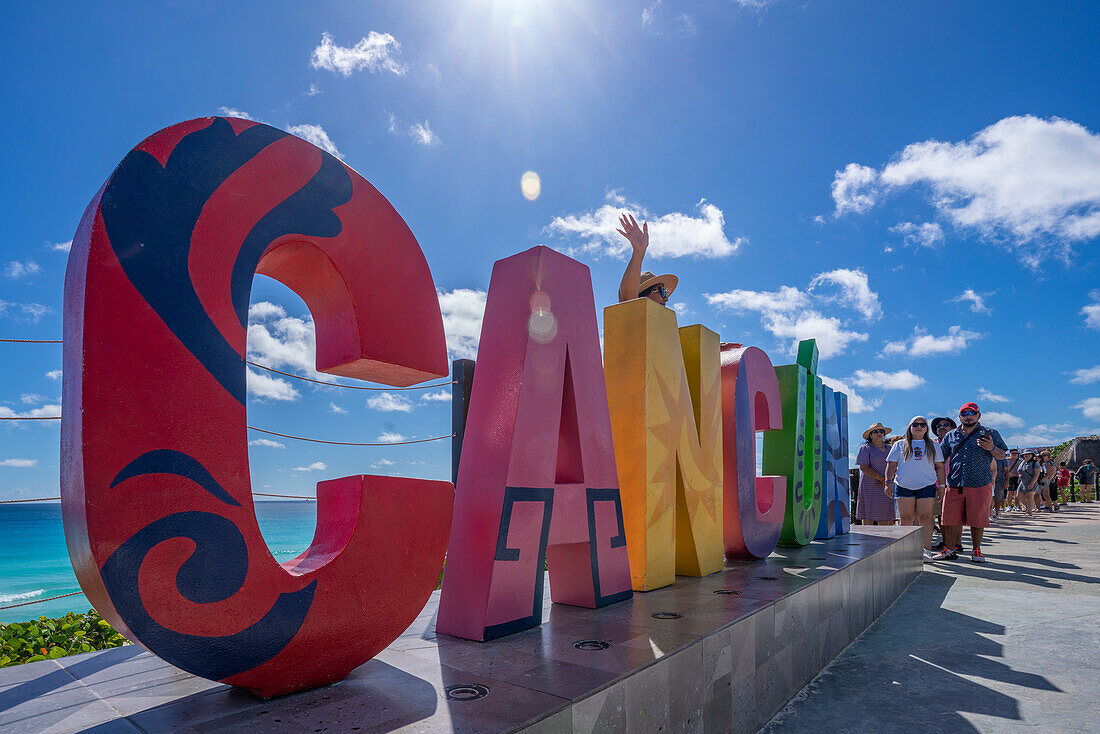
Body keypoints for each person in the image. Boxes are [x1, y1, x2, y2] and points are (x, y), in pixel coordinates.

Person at [932, 402, 1007, 563]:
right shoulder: (951, 436)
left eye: (972, 413)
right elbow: (940, 459)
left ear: (979, 415)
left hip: (980, 483)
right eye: (964, 413)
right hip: (954, 483)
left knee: (977, 519)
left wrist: (992, 448)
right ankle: (949, 550)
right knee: (949, 519)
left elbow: (1001, 455)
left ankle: (977, 550)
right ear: (959, 417)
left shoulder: (991, 433)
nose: (968, 416)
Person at [885, 416, 945, 560]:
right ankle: (907, 549)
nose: (919, 427)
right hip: (903, 486)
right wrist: (888, 482)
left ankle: (925, 549)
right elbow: (891, 465)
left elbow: (940, 467)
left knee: (926, 518)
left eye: (922, 424)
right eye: (915, 424)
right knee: (906, 518)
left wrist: (942, 486)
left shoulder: (933, 445)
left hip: (927, 485)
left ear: (926, 428)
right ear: (910, 427)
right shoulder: (899, 444)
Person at [616, 214, 678, 306]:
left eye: (664, 292)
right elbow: (629, 299)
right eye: (662, 291)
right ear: (642, 295)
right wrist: (638, 253)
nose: (666, 298)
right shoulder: (632, 314)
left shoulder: (663, 319)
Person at [856, 423, 895, 525]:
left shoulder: (890, 448)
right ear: (870, 435)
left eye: (881, 431)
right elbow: (864, 467)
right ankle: (867, 540)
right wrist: (882, 479)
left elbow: (895, 466)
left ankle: (885, 540)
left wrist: (888, 481)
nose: (879, 433)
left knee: (885, 515)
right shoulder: (865, 448)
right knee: (868, 515)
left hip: (886, 485)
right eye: (876, 431)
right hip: (870, 486)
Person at [1017, 449, 1040, 515]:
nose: (1027, 455)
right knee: (1019, 495)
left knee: (1030, 496)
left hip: (1031, 481)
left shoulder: (1035, 463)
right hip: (1022, 481)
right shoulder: (1022, 462)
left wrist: (1032, 483)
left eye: (1029, 454)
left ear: (1032, 455)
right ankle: (1029, 507)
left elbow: (1037, 474)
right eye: (1025, 454)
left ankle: (1029, 512)